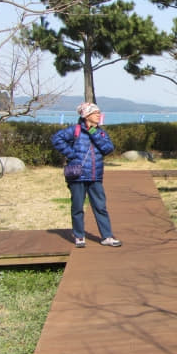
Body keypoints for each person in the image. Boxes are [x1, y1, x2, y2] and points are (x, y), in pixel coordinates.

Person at [52, 102, 122, 248]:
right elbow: (56, 139)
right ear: (86, 115)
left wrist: (93, 132)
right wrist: (71, 154)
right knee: (77, 207)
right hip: (77, 176)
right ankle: (79, 236)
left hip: (95, 176)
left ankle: (107, 237)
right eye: (96, 112)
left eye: (99, 112)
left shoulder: (100, 132)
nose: (99, 115)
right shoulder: (74, 130)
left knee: (100, 207)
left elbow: (108, 148)